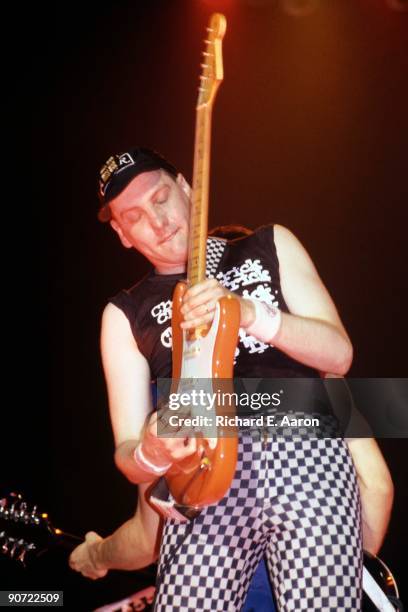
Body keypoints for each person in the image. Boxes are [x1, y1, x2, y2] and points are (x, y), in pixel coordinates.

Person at [72, 147, 393, 611]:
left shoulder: (269, 244)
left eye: (161, 197)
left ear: (187, 186)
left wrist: (250, 313)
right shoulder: (124, 313)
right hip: (204, 483)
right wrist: (151, 450)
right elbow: (128, 457)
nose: (158, 221)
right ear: (122, 234)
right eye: (135, 216)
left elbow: (339, 353)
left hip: (304, 453)